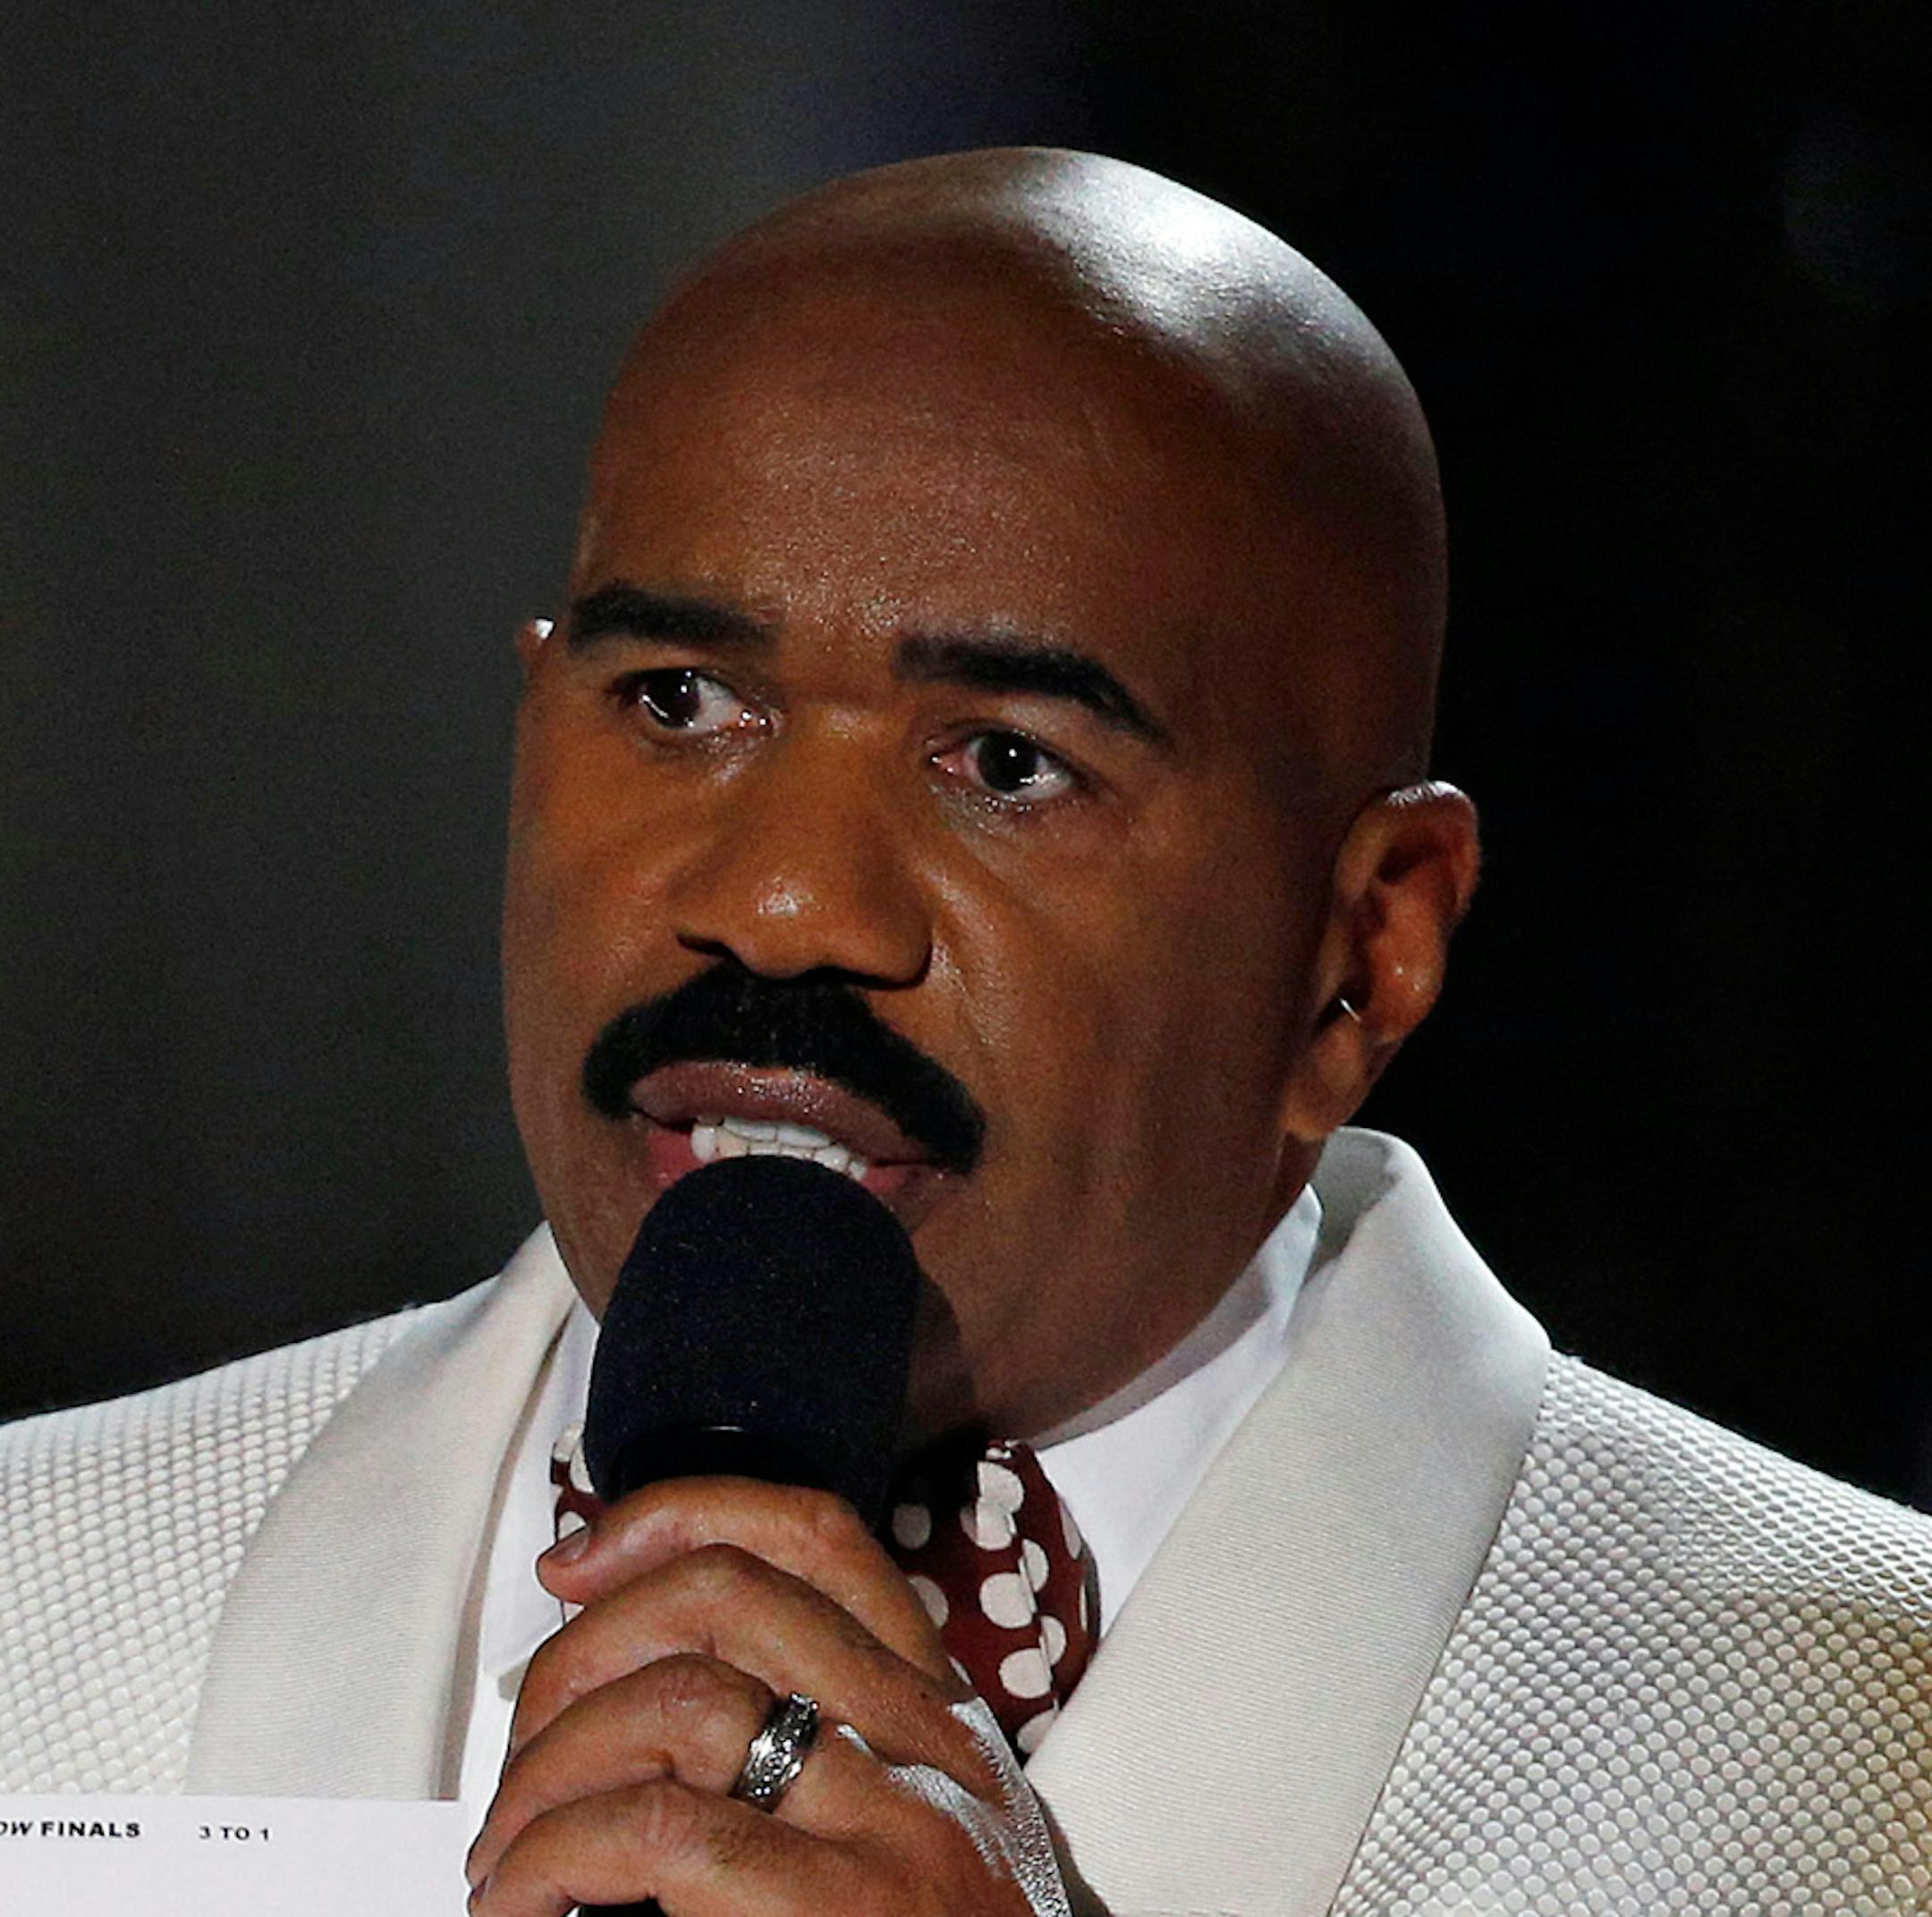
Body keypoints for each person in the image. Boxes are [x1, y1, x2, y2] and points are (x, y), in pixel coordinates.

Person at [5, 148, 1931, 1914]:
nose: (780, 903)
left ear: (1362, 955)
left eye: (1005, 761)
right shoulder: (36, 1591)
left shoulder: (1860, 1751)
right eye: (679, 700)